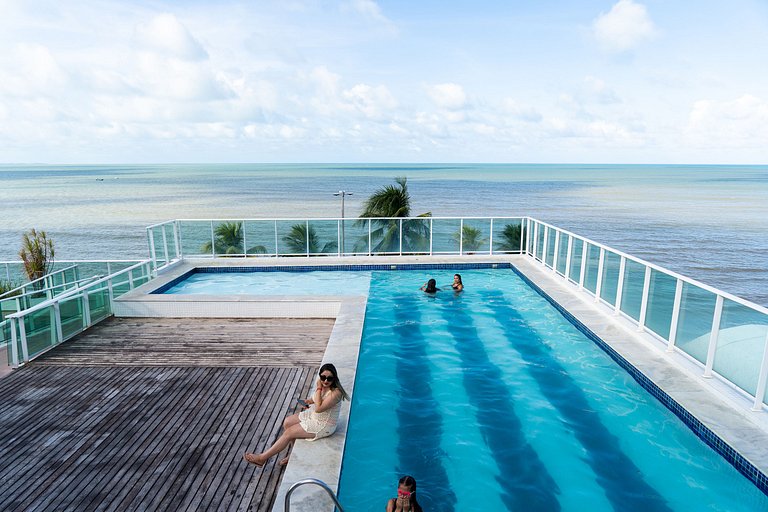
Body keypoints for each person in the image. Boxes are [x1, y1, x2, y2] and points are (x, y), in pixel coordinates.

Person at [244, 363, 349, 467]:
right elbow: (316, 399)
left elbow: (319, 408)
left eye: (329, 378)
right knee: (287, 422)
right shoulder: (322, 384)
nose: (326, 380)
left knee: (289, 432)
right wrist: (308, 401)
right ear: (320, 375)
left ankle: (262, 458)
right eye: (323, 377)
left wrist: (318, 388)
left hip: (324, 424)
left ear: (334, 378)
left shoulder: (336, 393)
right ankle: (292, 455)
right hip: (314, 415)